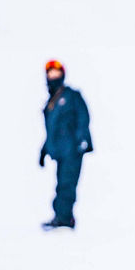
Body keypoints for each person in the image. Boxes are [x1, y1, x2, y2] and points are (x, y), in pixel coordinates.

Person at [40, 60, 93, 229]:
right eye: (50, 74)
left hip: (72, 150)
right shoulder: (52, 102)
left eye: (56, 74)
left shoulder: (71, 96)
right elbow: (52, 129)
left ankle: (64, 218)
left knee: (66, 184)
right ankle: (61, 216)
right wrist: (44, 149)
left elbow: (83, 118)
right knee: (61, 183)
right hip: (60, 151)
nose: (53, 77)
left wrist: (81, 140)